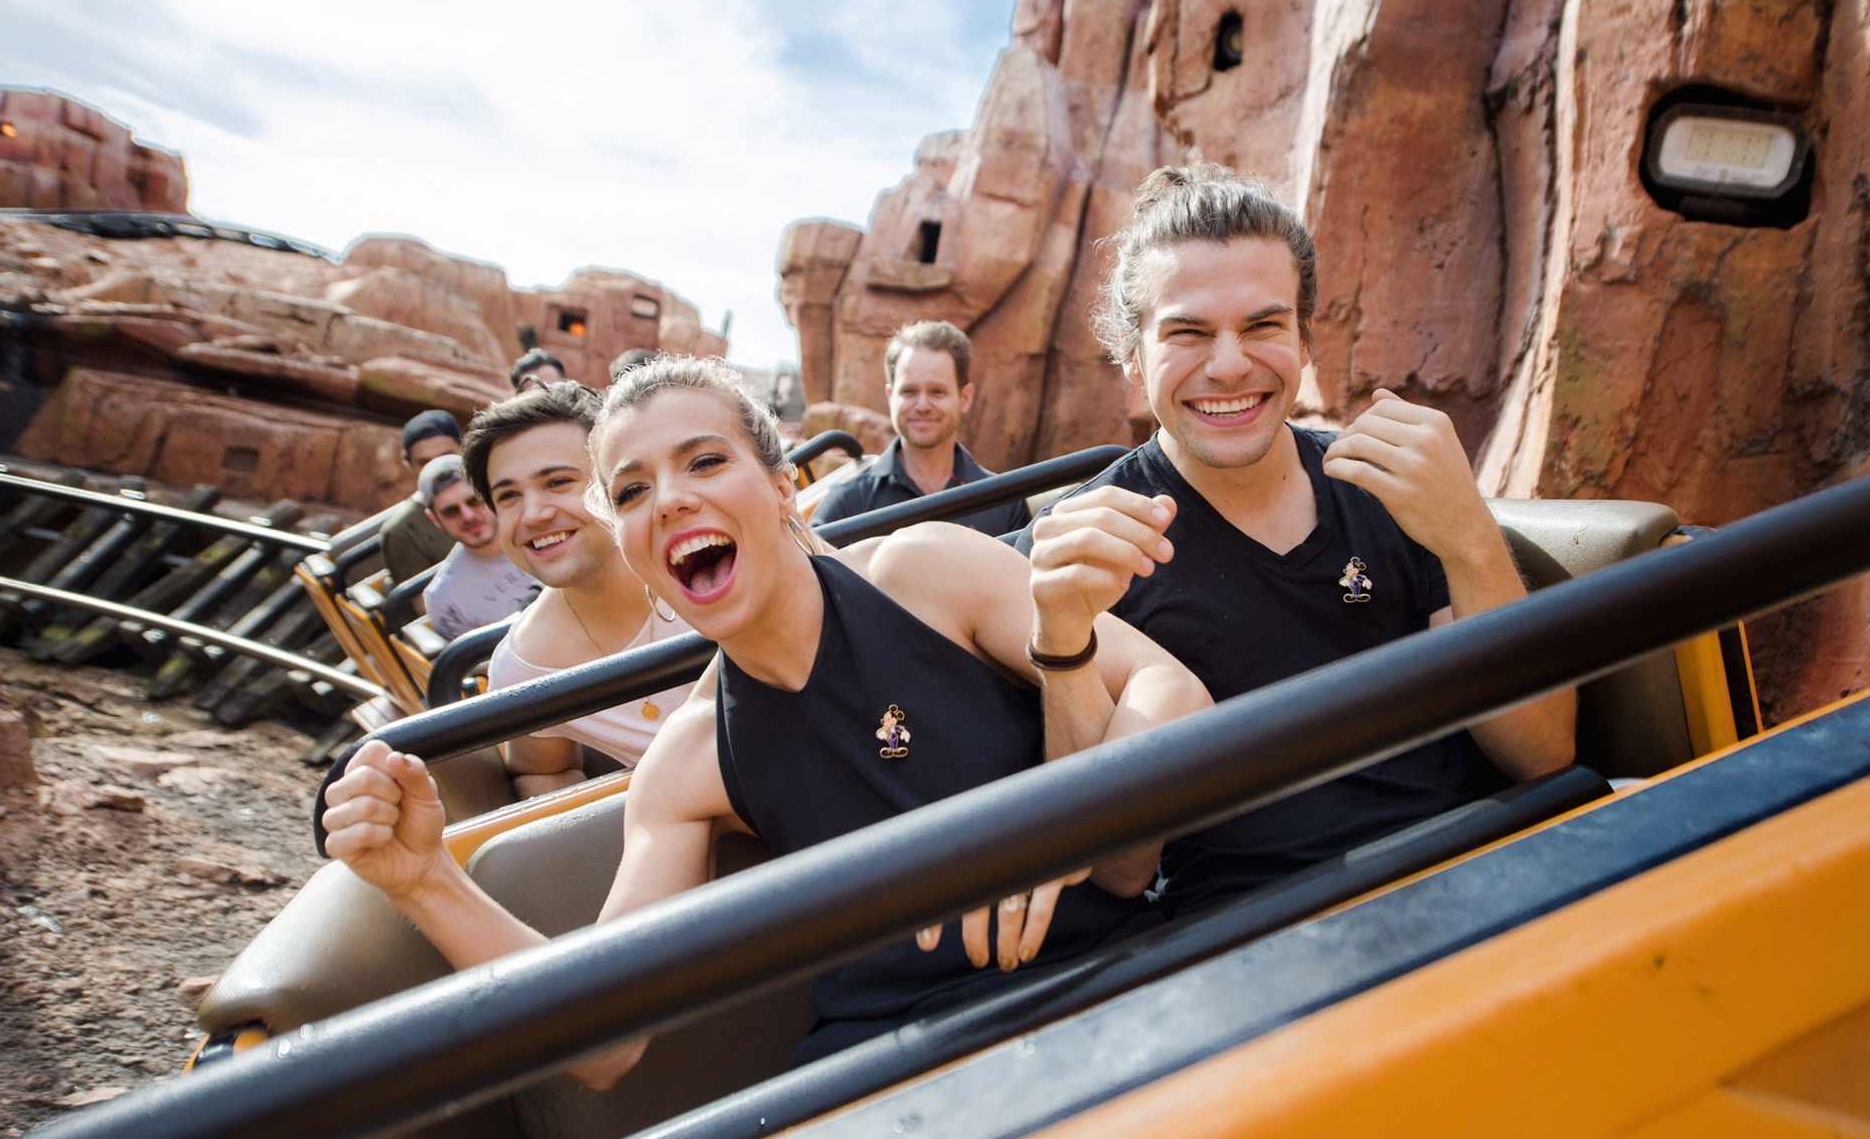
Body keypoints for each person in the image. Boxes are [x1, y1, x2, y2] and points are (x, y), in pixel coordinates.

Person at [322, 355, 1209, 1077]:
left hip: (1109, 989)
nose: (668, 499)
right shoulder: (689, 761)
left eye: (705, 462)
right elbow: (605, 1041)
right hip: (892, 1065)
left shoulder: (924, 572)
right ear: (630, 543)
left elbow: (1169, 688)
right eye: (631, 492)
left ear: (784, 487)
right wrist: (423, 880)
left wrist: (1058, 817)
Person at [1013, 164, 1577, 917]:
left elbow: (1543, 753)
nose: (1229, 363)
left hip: (1484, 868)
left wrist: (1470, 536)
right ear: (1132, 355)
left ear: (1306, 340)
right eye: (1186, 331)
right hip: (1259, 933)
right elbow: (1114, 870)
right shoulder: (1087, 541)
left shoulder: (1385, 486)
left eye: (1263, 325)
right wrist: (1064, 639)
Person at [462, 381, 696, 793]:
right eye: (509, 496)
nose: (533, 514)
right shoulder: (526, 665)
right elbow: (542, 771)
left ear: (617, 480)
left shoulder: (708, 564)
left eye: (557, 482)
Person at [809, 322, 1029, 536]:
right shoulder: (848, 503)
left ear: (965, 398)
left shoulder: (1003, 502)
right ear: (890, 396)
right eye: (909, 391)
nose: (922, 405)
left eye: (937, 391)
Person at [418, 454, 538, 640]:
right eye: (451, 511)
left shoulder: (542, 529)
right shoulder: (444, 600)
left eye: (473, 501)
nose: (467, 516)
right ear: (435, 519)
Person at [377, 410, 461, 583]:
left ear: (462, 449)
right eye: (425, 462)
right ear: (409, 464)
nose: (439, 469)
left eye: (446, 457)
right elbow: (423, 605)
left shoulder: (492, 494)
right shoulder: (402, 531)